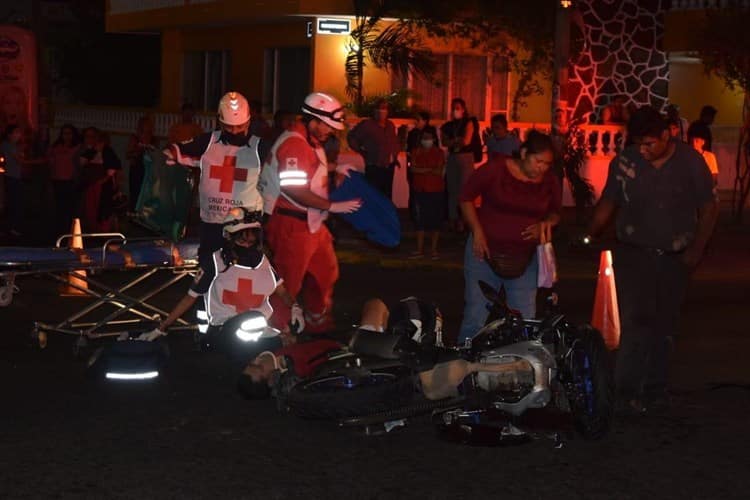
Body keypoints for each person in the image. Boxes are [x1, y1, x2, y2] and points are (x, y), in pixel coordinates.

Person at [585, 106, 718, 415]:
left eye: (649, 144)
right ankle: (626, 391)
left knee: (665, 324)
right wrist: (590, 232)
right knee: (636, 322)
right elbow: (610, 200)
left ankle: (655, 389)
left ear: (666, 136)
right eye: (639, 144)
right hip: (635, 253)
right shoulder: (626, 161)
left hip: (675, 257)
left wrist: (696, 249)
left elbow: (709, 208)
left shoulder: (690, 162)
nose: (643, 151)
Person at [237, 297, 528, 401]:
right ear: (268, 379)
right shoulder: (290, 369)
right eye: (258, 368)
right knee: (403, 308)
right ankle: (428, 352)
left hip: (350, 350)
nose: (258, 361)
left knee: (386, 309)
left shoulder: (282, 358)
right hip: (355, 354)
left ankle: (431, 351)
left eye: (252, 364)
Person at [259, 92, 361, 334]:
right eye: (328, 125)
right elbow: (294, 189)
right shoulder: (295, 143)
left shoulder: (309, 141)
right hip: (291, 225)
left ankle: (317, 323)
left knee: (326, 273)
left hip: (311, 224)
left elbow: (308, 168)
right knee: (288, 284)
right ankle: (276, 335)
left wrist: (336, 167)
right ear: (313, 119)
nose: (331, 131)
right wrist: (332, 207)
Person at [457, 131, 561, 345]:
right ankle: (462, 368)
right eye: (537, 161)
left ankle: (518, 369)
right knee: (476, 316)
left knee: (524, 319)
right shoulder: (496, 169)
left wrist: (545, 224)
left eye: (546, 164)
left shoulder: (549, 181)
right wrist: (477, 231)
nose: (541, 168)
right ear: (524, 153)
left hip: (524, 259)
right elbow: (466, 197)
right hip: (484, 253)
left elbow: (555, 212)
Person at [140, 207, 303, 342]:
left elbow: (282, 292)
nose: (246, 246)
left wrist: (295, 308)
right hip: (225, 333)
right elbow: (190, 297)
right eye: (241, 241)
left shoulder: (263, 262)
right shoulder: (215, 262)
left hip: (257, 332)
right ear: (229, 238)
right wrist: (161, 328)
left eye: (251, 242)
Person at [164, 91, 263, 268]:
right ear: (219, 122)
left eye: (239, 127)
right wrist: (170, 153)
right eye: (229, 127)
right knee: (208, 271)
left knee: (243, 275)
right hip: (212, 224)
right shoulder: (208, 141)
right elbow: (177, 149)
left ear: (248, 122)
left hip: (243, 229)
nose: (234, 132)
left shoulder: (260, 147)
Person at [346, 98, 400, 199]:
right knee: (373, 195)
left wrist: (395, 155)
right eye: (380, 108)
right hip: (374, 166)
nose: (382, 111)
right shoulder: (367, 125)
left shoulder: (390, 125)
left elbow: (394, 141)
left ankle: (385, 214)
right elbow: (352, 137)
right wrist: (361, 151)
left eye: (385, 108)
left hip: (389, 166)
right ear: (374, 110)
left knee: (387, 195)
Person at [440, 98, 480, 232]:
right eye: (453, 108)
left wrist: (454, 141)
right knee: (452, 190)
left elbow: (466, 141)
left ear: (463, 109)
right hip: (452, 158)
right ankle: (453, 219)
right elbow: (444, 142)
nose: (455, 110)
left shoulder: (469, 122)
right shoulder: (448, 126)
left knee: (466, 190)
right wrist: (456, 141)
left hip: (465, 158)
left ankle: (465, 220)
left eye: (458, 108)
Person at [408, 129, 445, 260]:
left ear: (434, 139)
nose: (426, 140)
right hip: (420, 190)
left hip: (435, 190)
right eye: (424, 137)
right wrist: (430, 169)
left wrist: (422, 170)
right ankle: (419, 249)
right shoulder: (416, 151)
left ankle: (433, 250)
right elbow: (413, 168)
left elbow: (438, 171)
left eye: (429, 137)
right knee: (420, 221)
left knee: (435, 221)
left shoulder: (439, 153)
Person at [77, 127, 122, 233]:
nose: (97, 143)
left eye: (99, 141)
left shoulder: (108, 153)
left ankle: (102, 231)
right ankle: (91, 229)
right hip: (91, 186)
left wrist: (102, 181)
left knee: (103, 210)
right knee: (90, 209)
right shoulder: (91, 152)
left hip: (103, 187)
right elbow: (82, 163)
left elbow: (113, 170)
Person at [47, 124, 81, 237]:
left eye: (69, 133)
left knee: (69, 206)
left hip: (70, 180)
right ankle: (59, 229)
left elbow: (78, 164)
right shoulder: (56, 147)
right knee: (59, 205)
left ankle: (69, 230)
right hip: (57, 179)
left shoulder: (77, 147)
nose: (66, 136)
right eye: (64, 133)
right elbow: (50, 160)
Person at [127, 115, 159, 212]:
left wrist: (150, 151)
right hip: (137, 169)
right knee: (135, 194)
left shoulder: (154, 140)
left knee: (147, 194)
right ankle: (134, 213)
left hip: (149, 171)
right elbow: (128, 155)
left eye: (149, 127)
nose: (147, 130)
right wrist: (138, 150)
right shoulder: (135, 139)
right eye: (144, 127)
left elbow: (157, 155)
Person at [1, 124, 27, 236]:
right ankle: (10, 228)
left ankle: (10, 227)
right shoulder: (8, 145)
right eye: (16, 132)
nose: (19, 135)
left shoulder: (14, 146)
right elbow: (20, 160)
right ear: (10, 134)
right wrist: (40, 161)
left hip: (15, 176)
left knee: (15, 202)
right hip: (11, 177)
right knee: (13, 203)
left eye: (20, 132)